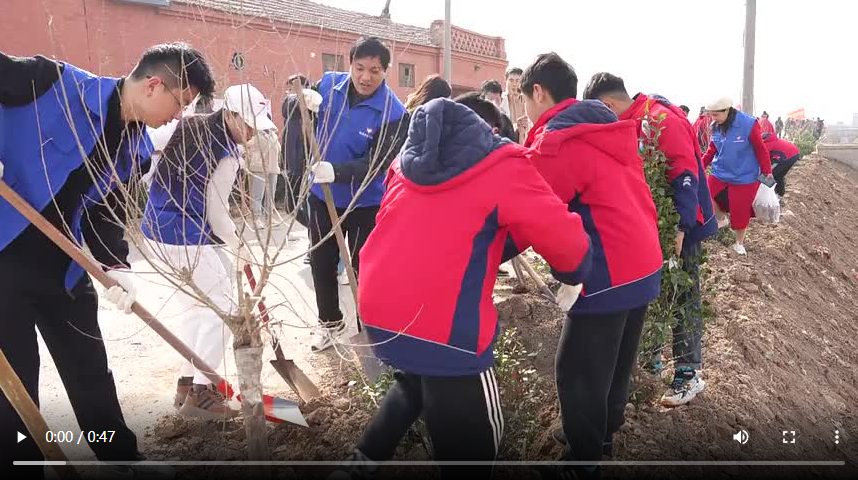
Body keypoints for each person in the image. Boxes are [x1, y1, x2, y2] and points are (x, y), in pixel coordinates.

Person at [330, 96, 592, 480]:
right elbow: (567, 241)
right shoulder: (503, 163)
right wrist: (574, 273)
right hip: (447, 328)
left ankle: (359, 465)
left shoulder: (405, 162)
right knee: (478, 441)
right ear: (494, 132)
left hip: (380, 312)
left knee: (414, 379)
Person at [0, 43, 214, 479]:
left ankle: (122, 461)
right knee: (15, 386)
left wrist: (117, 268)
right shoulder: (51, 83)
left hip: (63, 265)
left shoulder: (132, 148)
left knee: (91, 370)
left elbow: (102, 212)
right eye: (182, 103)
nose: (179, 117)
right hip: (4, 263)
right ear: (155, 85)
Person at [520, 53, 662, 478]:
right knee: (615, 360)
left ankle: (582, 463)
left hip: (608, 269)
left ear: (538, 93)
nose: (524, 109)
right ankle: (600, 435)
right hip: (642, 261)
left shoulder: (559, 141)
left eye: (523, 98)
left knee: (576, 369)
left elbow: (529, 206)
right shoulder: (605, 127)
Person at [582, 73, 718, 408]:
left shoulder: (659, 119)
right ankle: (651, 364)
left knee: (682, 293)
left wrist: (680, 228)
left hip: (680, 226)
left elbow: (683, 174)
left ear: (607, 104)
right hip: (650, 225)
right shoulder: (632, 120)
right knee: (653, 294)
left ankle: (688, 374)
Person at [142, 84, 274, 420]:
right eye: (246, 123)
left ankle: (186, 385)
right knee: (223, 309)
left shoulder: (187, 123)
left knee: (194, 310)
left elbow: (149, 165)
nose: (250, 132)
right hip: (184, 235)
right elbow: (217, 214)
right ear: (228, 113)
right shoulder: (227, 153)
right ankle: (202, 395)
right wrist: (240, 245)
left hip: (156, 230)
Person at [306, 36, 409, 352]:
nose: (366, 77)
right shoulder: (328, 85)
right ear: (350, 64)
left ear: (386, 71)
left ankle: (372, 332)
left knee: (366, 269)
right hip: (322, 196)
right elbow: (295, 101)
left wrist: (337, 171)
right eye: (359, 67)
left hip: (366, 200)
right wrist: (299, 102)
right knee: (321, 261)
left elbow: (377, 161)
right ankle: (330, 325)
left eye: (375, 70)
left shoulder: (394, 112)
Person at [702, 98, 774, 255]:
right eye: (711, 115)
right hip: (720, 172)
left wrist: (767, 173)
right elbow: (711, 151)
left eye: (716, 115)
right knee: (705, 193)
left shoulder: (748, 124)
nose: (713, 119)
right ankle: (720, 219)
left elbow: (761, 150)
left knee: (740, 210)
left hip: (744, 176)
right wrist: (699, 167)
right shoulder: (715, 127)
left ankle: (739, 243)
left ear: (727, 110)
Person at [246, 121, 282, 229]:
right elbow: (246, 147)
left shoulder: (273, 134)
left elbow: (278, 149)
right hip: (258, 167)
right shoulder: (255, 134)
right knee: (257, 195)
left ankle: (269, 218)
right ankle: (256, 219)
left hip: (273, 167)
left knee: (270, 194)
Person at [762, 132, 801, 197]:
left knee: (768, 175)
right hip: (794, 154)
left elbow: (763, 157)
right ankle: (780, 193)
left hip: (787, 157)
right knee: (779, 175)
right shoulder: (774, 140)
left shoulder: (767, 144)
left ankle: (772, 193)